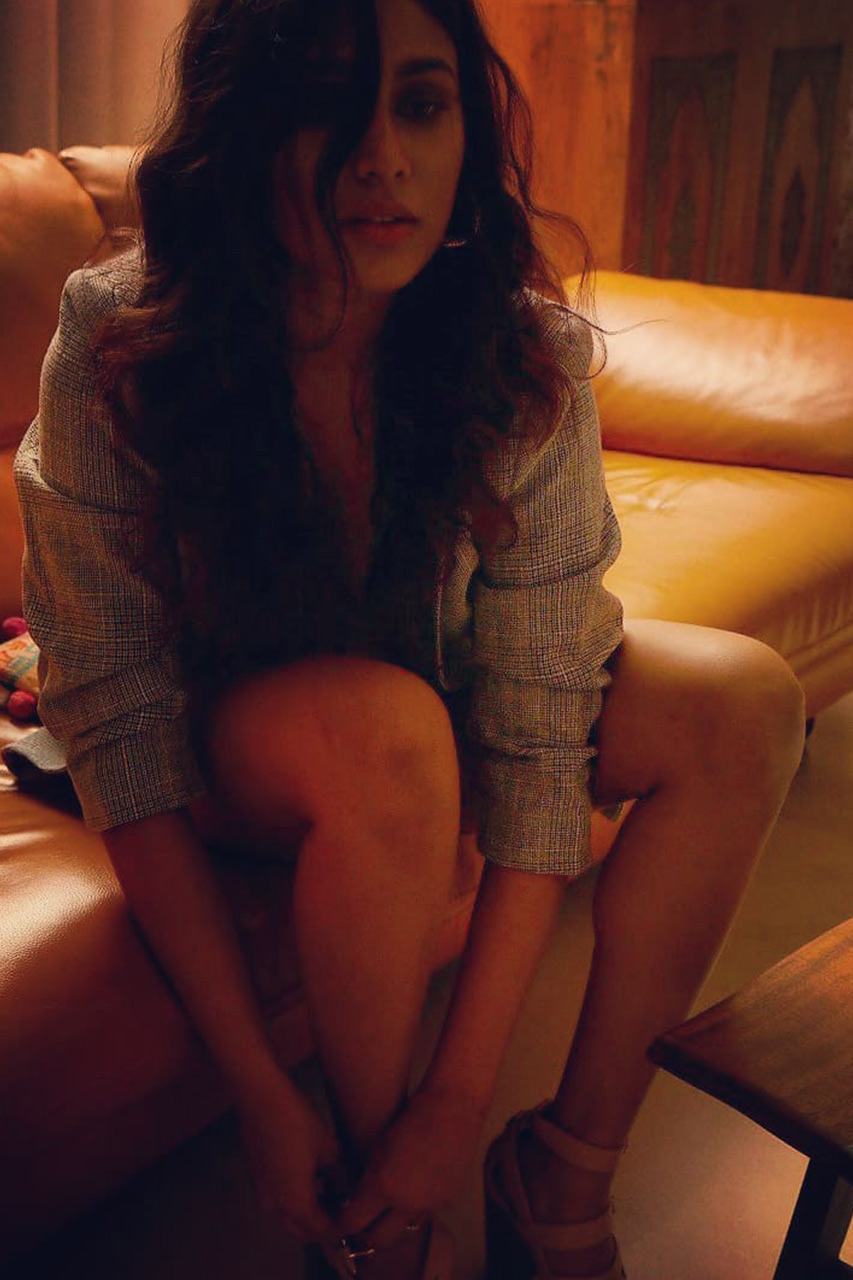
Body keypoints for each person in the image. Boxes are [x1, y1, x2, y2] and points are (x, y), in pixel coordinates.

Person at [15, 0, 806, 1276]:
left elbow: (540, 721)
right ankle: (378, 1223)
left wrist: (461, 1096)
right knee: (386, 734)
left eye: (422, 104)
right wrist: (263, 1088)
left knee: (738, 698)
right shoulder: (120, 338)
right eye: (327, 104)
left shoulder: (521, 351)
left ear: (464, 132)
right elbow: (123, 726)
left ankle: (561, 1173)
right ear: (244, 126)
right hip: (233, 742)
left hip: (431, 699)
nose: (381, 156)